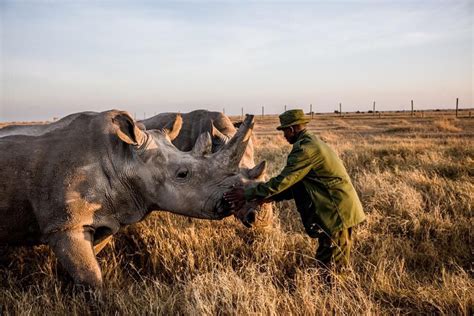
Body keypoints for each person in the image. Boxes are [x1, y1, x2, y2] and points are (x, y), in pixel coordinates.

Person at [224, 109, 365, 277]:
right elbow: (297, 185)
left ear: (292, 129)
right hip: (338, 208)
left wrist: (247, 193)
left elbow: (284, 181)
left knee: (332, 263)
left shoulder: (304, 150)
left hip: (336, 210)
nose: (284, 135)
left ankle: (332, 295)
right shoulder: (312, 142)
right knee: (330, 256)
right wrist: (268, 197)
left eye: (284, 131)